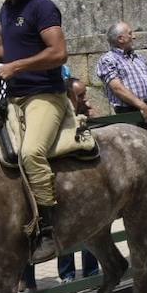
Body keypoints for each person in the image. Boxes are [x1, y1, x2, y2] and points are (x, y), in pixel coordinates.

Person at [0, 0, 97, 263]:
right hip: (15, 98)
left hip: (44, 96)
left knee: (31, 153)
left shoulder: (42, 7)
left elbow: (58, 53)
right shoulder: (6, 8)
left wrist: (15, 67)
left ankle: (47, 229)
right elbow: (16, 49)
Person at [58, 77, 103, 282]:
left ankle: (91, 273)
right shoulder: (59, 117)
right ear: (69, 96)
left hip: (88, 182)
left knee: (91, 228)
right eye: (81, 95)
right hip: (67, 183)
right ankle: (67, 275)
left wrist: (93, 117)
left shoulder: (86, 113)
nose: (85, 99)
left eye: (85, 94)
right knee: (66, 229)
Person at [96, 21, 147, 137]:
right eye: (130, 33)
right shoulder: (108, 60)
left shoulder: (139, 58)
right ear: (120, 39)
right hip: (129, 115)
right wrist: (142, 106)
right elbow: (117, 88)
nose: (134, 36)